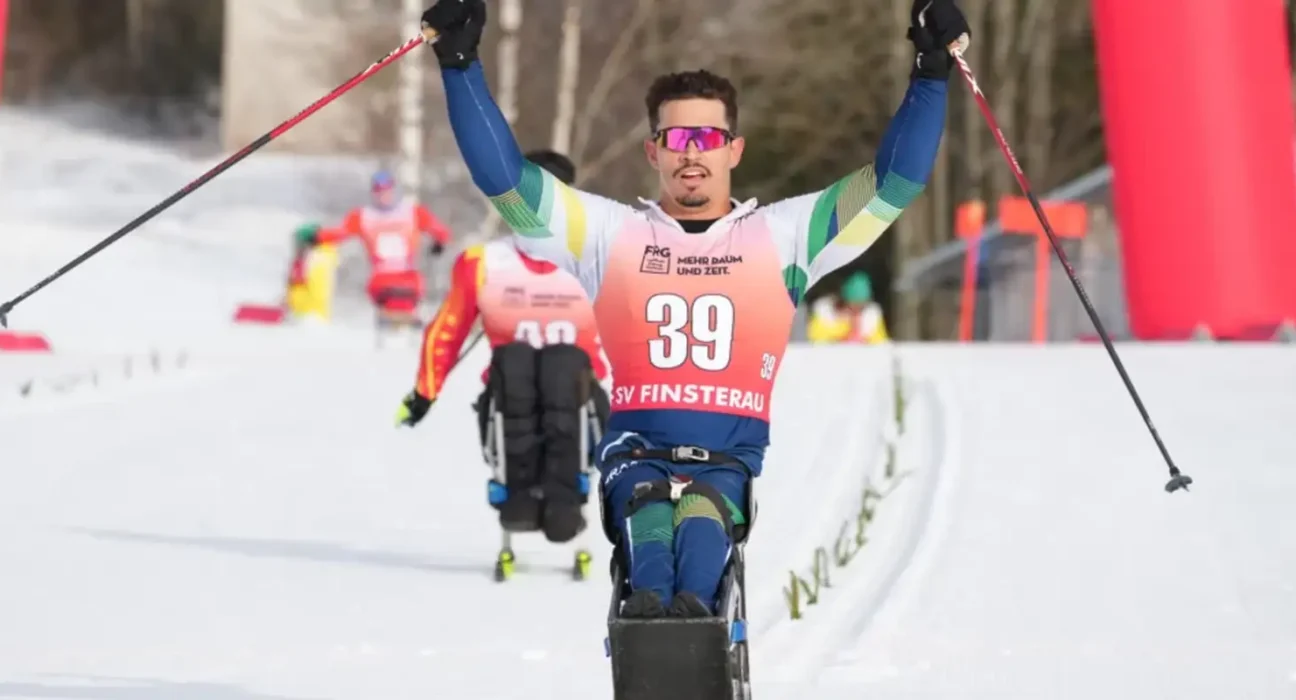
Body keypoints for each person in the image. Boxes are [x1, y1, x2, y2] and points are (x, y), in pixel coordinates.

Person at [420, 0, 967, 617]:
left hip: (725, 462)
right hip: (636, 456)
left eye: (707, 138)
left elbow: (894, 184)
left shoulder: (786, 235)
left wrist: (929, 74)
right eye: (676, 138)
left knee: (700, 561)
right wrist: (460, 65)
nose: (691, 153)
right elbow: (508, 182)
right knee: (650, 569)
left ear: (733, 150)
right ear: (654, 151)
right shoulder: (607, 234)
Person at [395, 150, 611, 544]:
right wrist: (424, 393)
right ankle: (520, 491)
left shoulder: (600, 257)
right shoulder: (484, 263)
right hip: (510, 392)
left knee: (562, 364)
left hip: (580, 395)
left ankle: (567, 493)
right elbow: (447, 330)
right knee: (516, 360)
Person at [307, 170, 452, 328]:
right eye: (379, 191)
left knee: (408, 300)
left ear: (395, 191)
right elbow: (341, 232)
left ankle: (408, 327)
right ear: (373, 193)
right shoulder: (364, 216)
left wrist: (439, 243)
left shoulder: (411, 212)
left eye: (387, 191)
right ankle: (391, 328)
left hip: (408, 276)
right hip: (381, 278)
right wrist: (317, 237)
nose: (384, 196)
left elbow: (438, 230)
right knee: (389, 307)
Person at [807, 272, 890, 344]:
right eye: (852, 307)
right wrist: (843, 331)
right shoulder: (824, 314)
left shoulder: (871, 318)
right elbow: (815, 341)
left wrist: (861, 336)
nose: (856, 311)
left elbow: (881, 345)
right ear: (842, 302)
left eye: (860, 307)